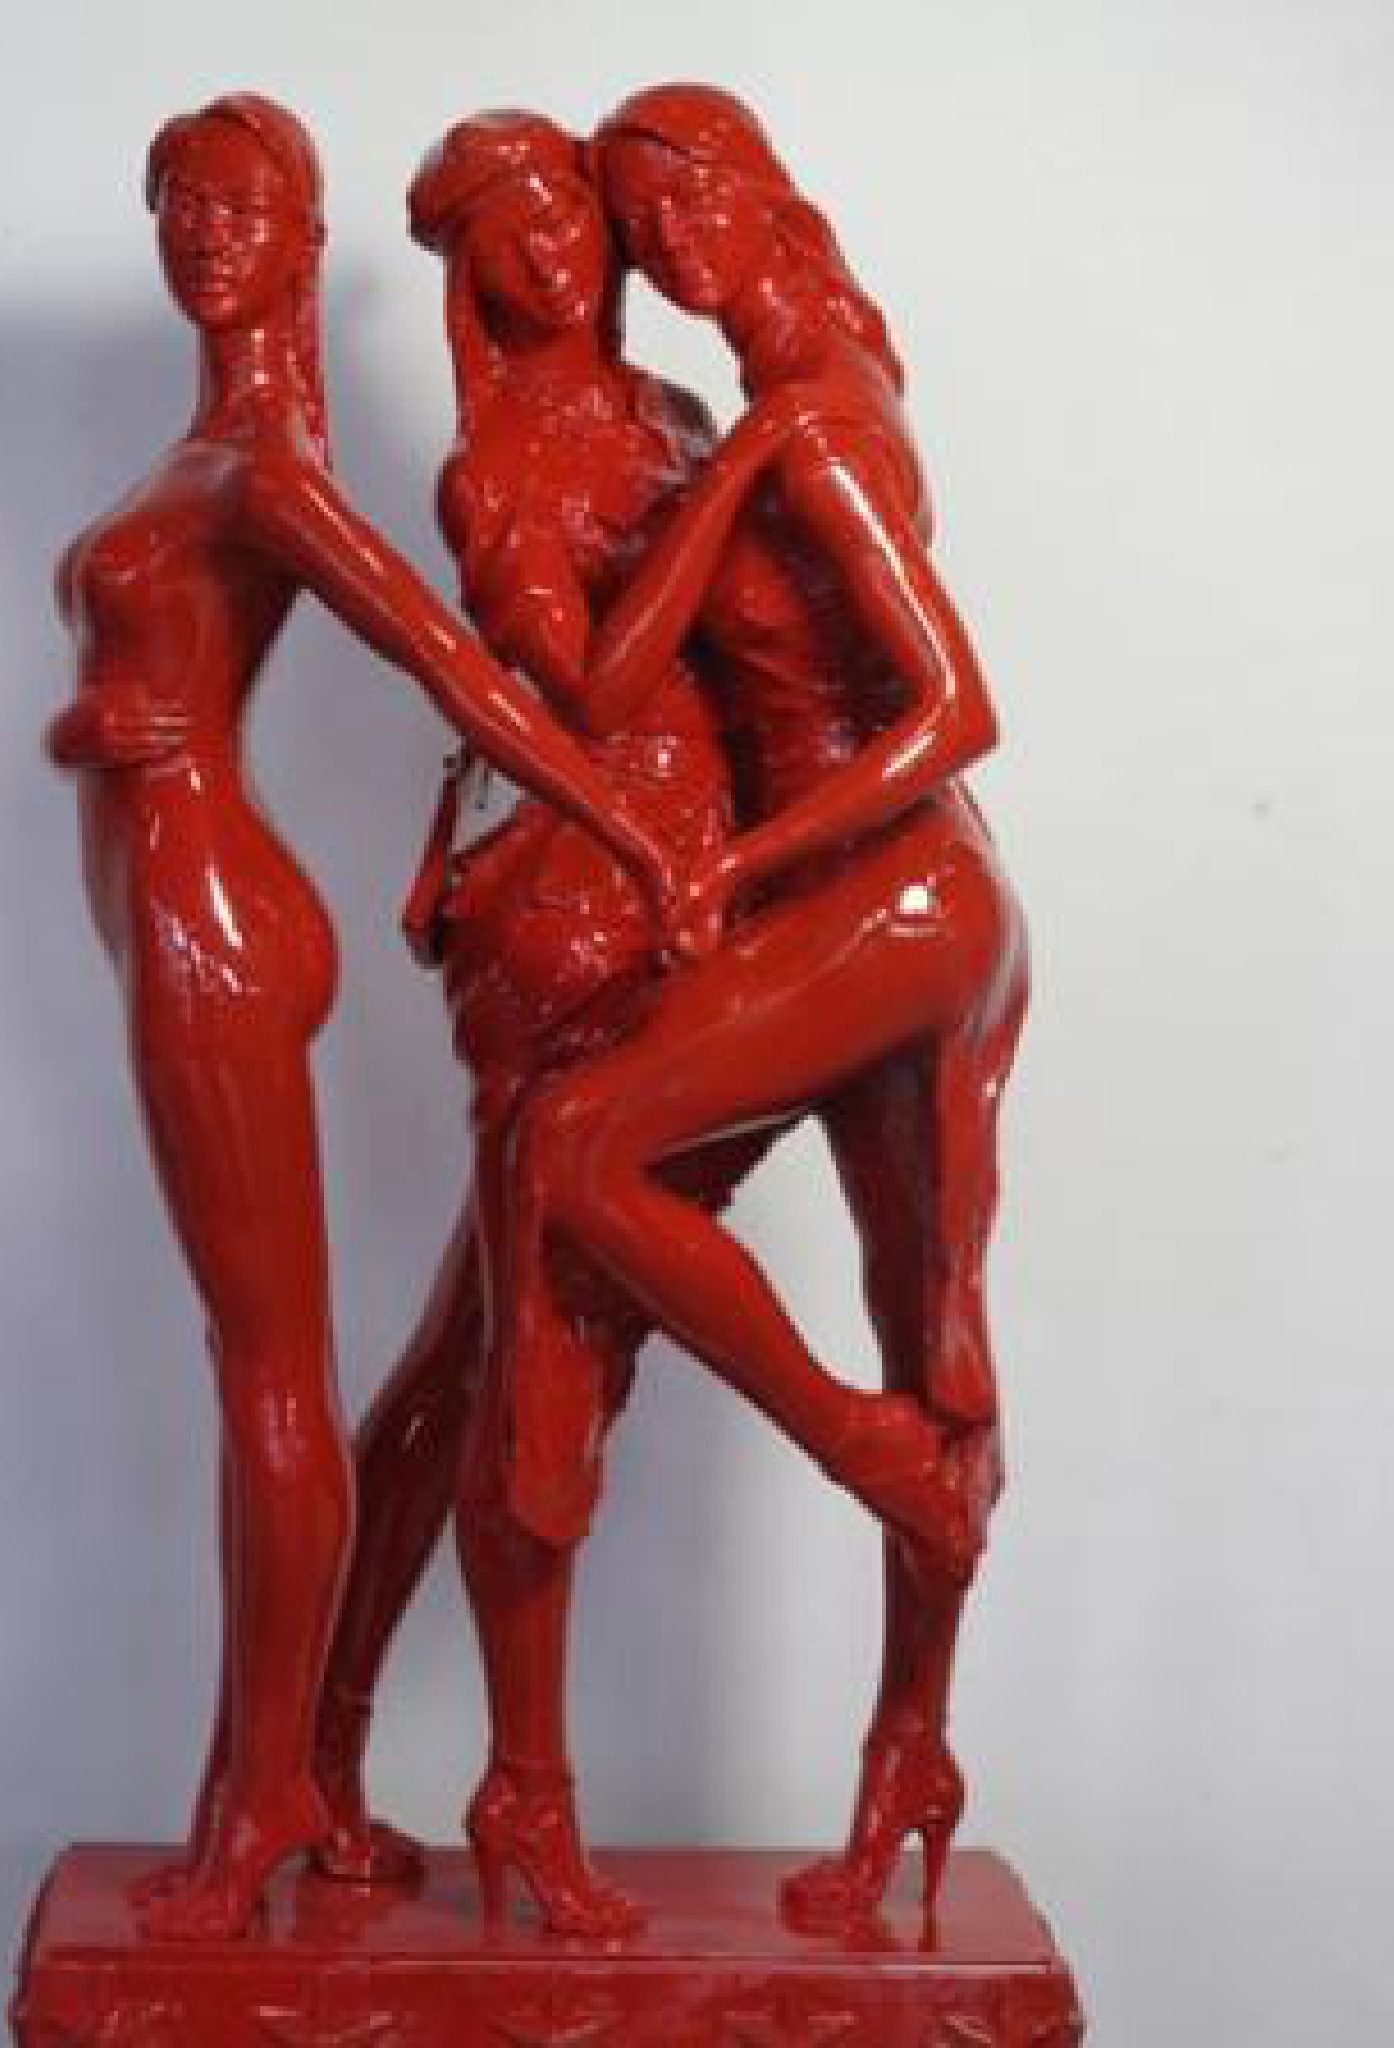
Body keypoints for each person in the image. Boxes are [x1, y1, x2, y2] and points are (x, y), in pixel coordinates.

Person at [46, 93, 688, 1941]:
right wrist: (90, 728)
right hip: (182, 908)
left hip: (214, 925)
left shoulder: (263, 467)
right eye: (177, 200)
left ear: (305, 244)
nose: (202, 232)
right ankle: (312, 1789)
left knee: (267, 1376)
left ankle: (255, 1803)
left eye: (242, 206)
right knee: (273, 1368)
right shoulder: (211, 455)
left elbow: (451, 662)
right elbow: (158, 680)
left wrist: (626, 826)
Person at [469, 83, 1031, 1930]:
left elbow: (959, 709)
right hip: (878, 902)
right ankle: (910, 1758)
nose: (671, 247)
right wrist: (718, 481)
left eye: (688, 200)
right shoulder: (767, 413)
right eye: (645, 228)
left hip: (903, 895)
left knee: (580, 1147)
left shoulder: (817, 420)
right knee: (934, 1325)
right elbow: (607, 673)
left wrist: (746, 857)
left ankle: (857, 1451)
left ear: (759, 187)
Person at [312, 110, 816, 1935]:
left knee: (483, 1336)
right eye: (512, 229)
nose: (555, 250)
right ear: (467, 269)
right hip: (581, 897)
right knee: (541, 1342)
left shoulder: (671, 411)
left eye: (570, 218)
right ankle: (521, 1791)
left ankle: (317, 1738)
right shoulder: (499, 459)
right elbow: (573, 690)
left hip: (696, 887)